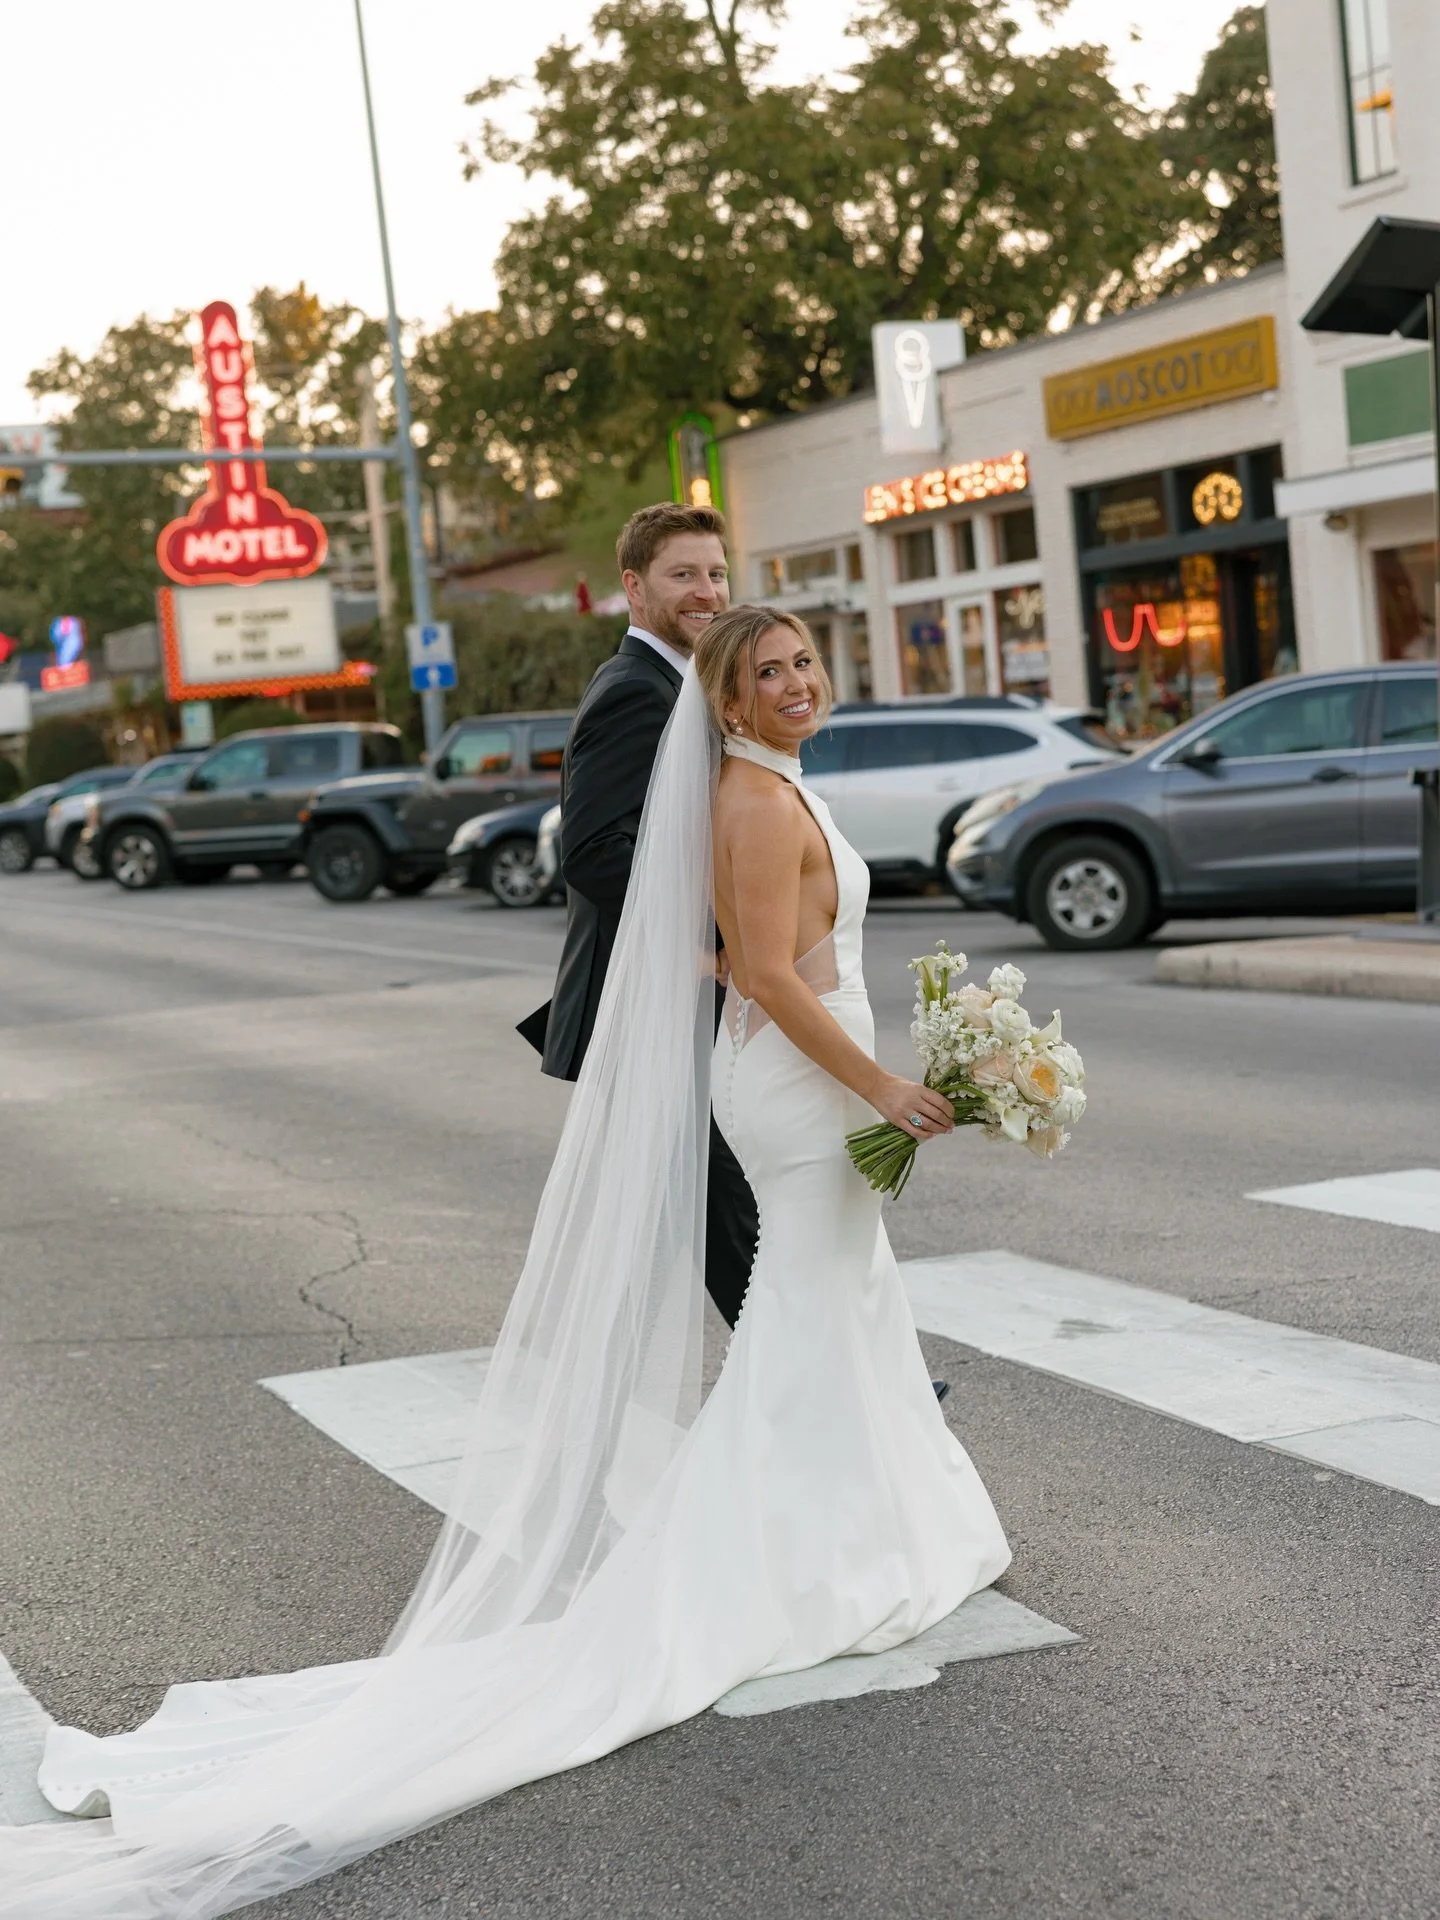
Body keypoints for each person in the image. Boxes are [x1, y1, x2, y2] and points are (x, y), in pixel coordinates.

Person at [2, 608, 1009, 1918]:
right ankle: (774, 1558)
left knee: (841, 1304)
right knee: (809, 1312)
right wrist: (878, 1077)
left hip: (809, 1081)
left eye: (807, 661)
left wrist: (874, 1043)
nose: (796, 682)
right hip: (809, 1092)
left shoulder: (769, 785)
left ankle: (857, 1522)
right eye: (769, 673)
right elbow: (759, 963)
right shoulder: (754, 804)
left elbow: (733, 952)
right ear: (731, 696)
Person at [519, 501, 758, 1328]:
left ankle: (818, 1379)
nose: (707, 591)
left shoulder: (680, 682)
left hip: (677, 997)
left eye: (716, 572)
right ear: (635, 587)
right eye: (682, 574)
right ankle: (825, 1380)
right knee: (724, 1196)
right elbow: (591, 852)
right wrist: (711, 938)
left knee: (717, 1198)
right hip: (654, 997)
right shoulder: (635, 691)